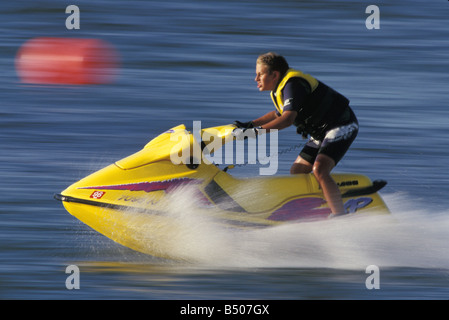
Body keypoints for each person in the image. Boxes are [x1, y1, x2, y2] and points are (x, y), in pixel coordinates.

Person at [234, 52, 358, 217]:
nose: (255, 79)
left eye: (260, 74)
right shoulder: (282, 88)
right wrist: (250, 124)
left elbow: (287, 119)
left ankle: (340, 215)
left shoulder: (293, 84)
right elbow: (278, 114)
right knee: (298, 170)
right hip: (322, 132)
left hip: (342, 125)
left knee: (320, 169)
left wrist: (256, 132)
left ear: (275, 74)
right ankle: (316, 207)